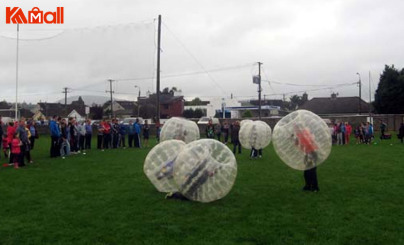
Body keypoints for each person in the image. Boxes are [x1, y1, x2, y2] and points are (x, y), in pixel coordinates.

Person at [293, 124, 319, 192]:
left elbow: (309, 142)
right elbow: (297, 144)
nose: (295, 130)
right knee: (306, 171)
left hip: (312, 153)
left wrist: (298, 140)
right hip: (307, 154)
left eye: (296, 128)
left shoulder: (305, 133)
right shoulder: (299, 135)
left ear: (299, 128)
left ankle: (315, 187)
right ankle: (307, 186)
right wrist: (295, 140)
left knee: (312, 171)